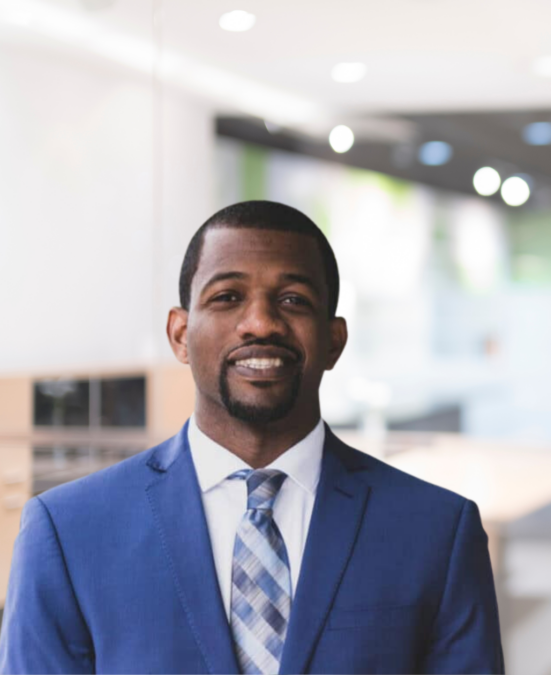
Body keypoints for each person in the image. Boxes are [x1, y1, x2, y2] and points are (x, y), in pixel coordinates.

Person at [0, 201, 504, 674]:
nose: (261, 322)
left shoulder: (438, 532)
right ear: (180, 334)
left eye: (293, 299)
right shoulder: (67, 531)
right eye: (227, 297)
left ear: (334, 340)